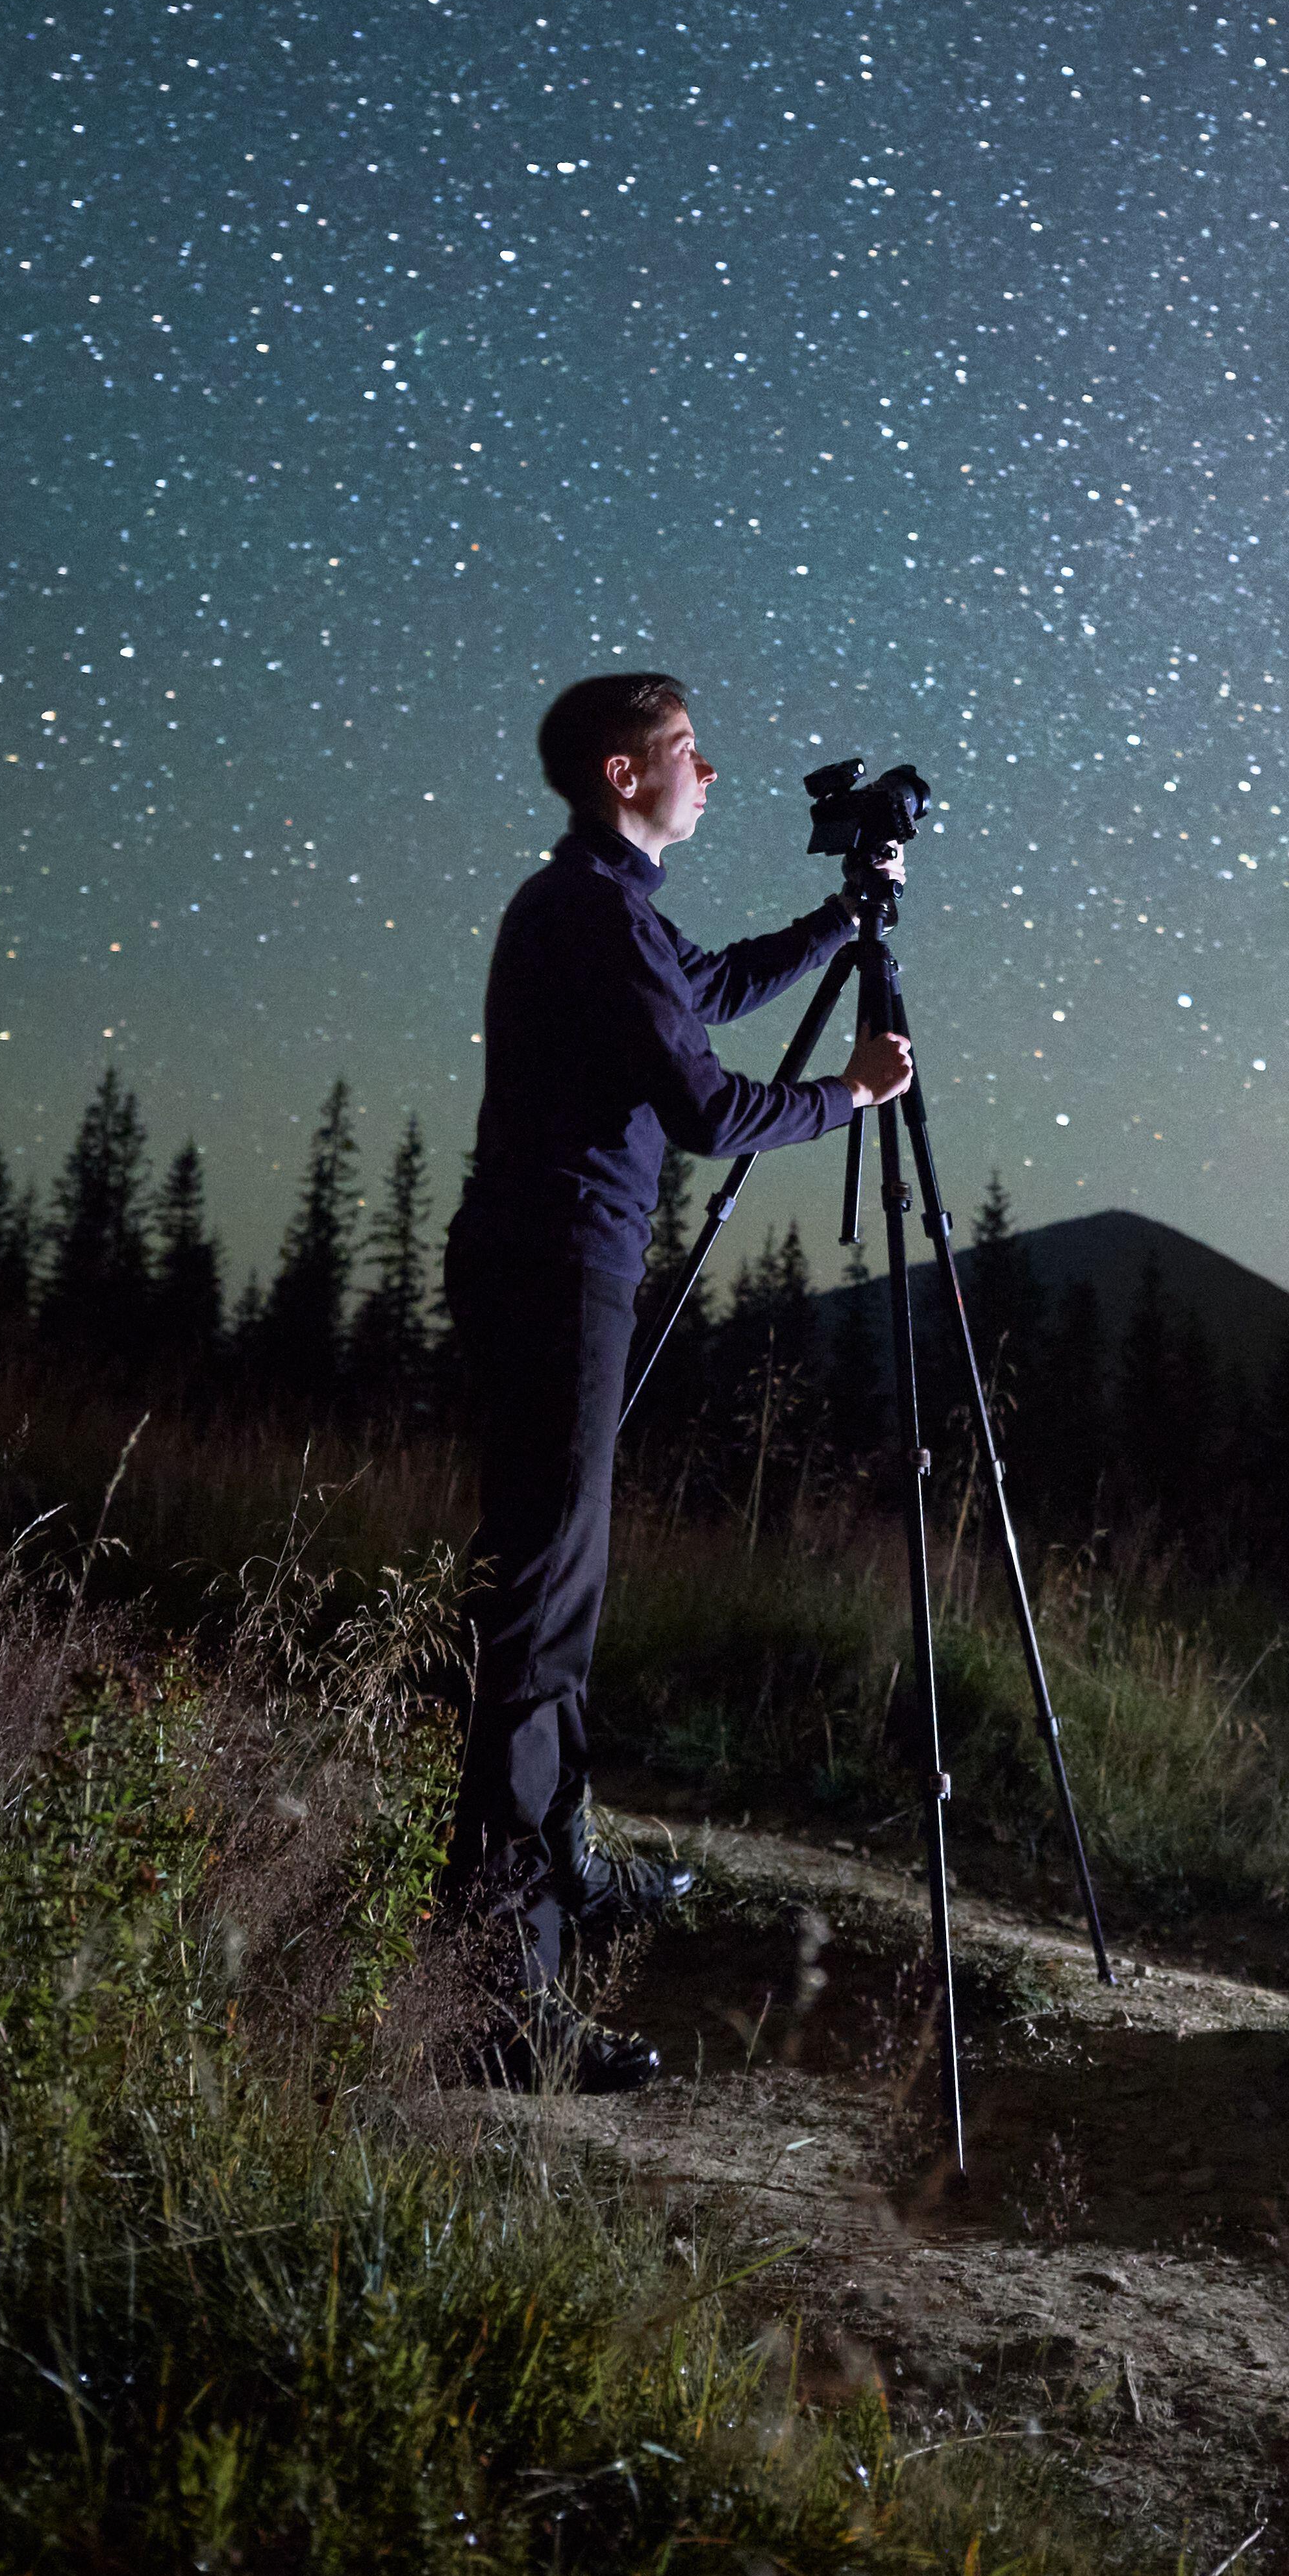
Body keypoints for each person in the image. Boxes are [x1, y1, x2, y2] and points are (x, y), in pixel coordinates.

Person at [440, 668, 909, 2088]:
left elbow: (701, 991)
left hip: (550, 1269)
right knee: (532, 1617)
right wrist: (852, 1096)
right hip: (551, 1275)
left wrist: (840, 922)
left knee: (557, 1592)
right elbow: (705, 1104)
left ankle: (561, 1868)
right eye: (688, 755)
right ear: (621, 773)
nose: (710, 775)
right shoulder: (586, 910)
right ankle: (495, 2012)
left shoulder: (600, 909)